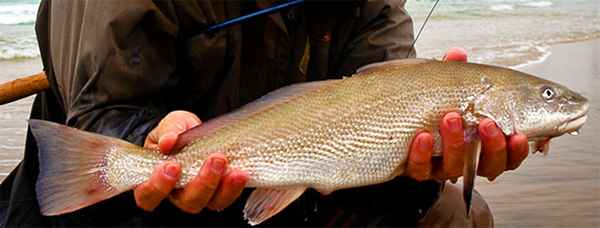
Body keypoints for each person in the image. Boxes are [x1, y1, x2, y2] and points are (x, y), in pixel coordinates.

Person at [0, 0, 528, 227]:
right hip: (124, 204)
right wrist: (149, 139)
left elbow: (381, 114)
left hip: (289, 186)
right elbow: (102, 109)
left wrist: (423, 167)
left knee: (455, 213)